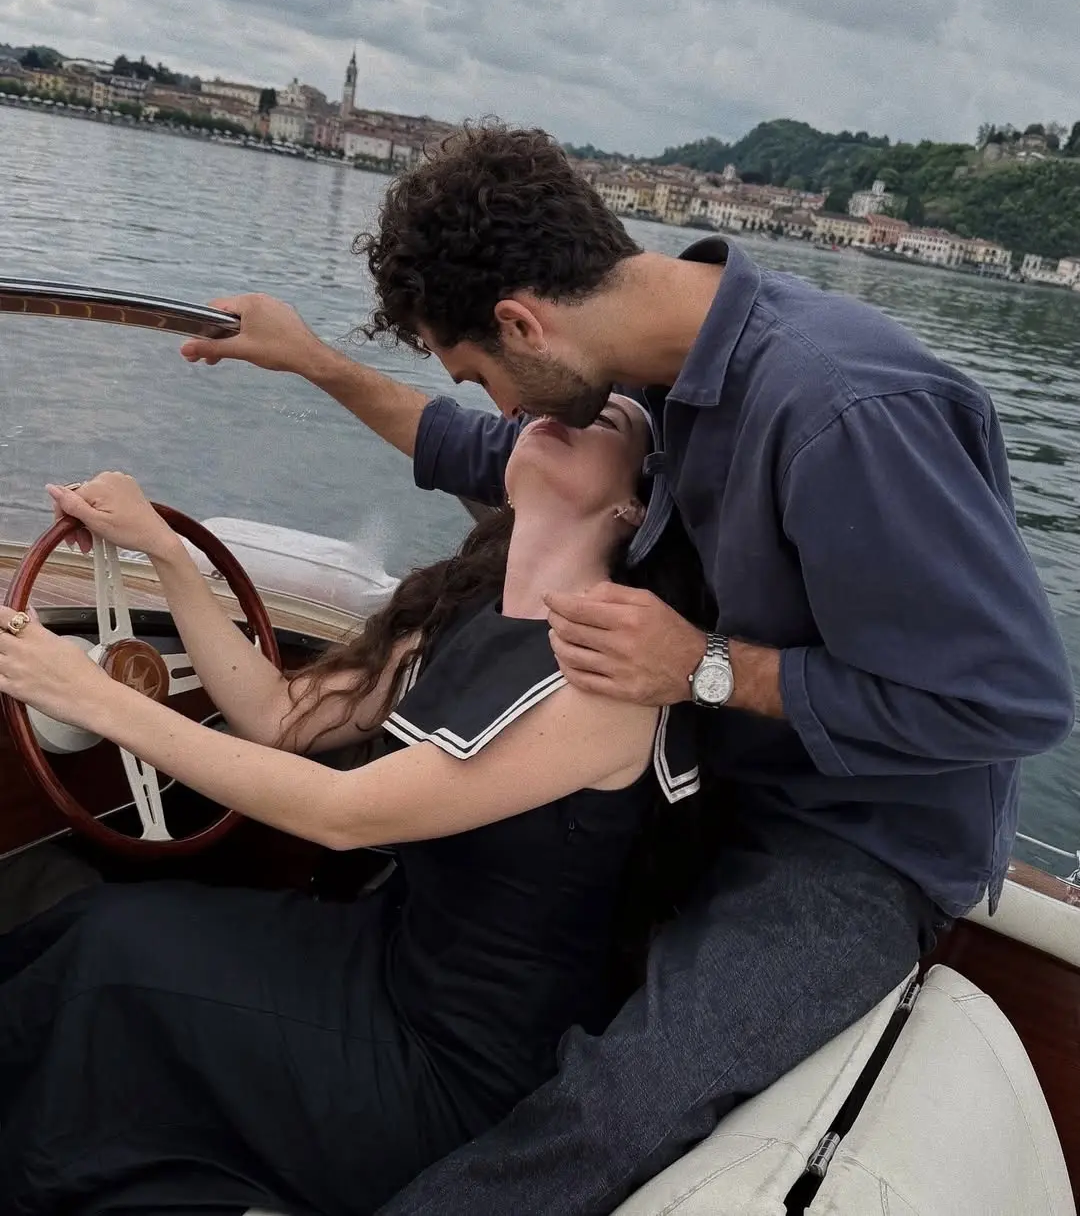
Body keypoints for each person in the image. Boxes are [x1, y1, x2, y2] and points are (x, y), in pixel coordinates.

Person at [176, 123, 1077, 1216]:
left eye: (483, 374)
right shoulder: (646, 376)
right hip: (705, 780)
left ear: (524, 321)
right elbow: (475, 452)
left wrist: (704, 668)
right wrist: (315, 361)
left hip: (853, 841)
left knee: (618, 1106)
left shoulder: (842, 408)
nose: (503, 413)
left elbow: (1007, 703)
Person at [0, 393, 705, 1216]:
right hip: (384, 957)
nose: (562, 414)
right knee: (97, 924)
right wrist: (163, 550)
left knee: (112, 971)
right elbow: (280, 717)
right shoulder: (466, 610)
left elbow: (342, 813)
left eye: (602, 421)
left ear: (633, 507)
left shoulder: (608, 685)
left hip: (452, 1072)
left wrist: (92, 695)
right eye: (558, 405)